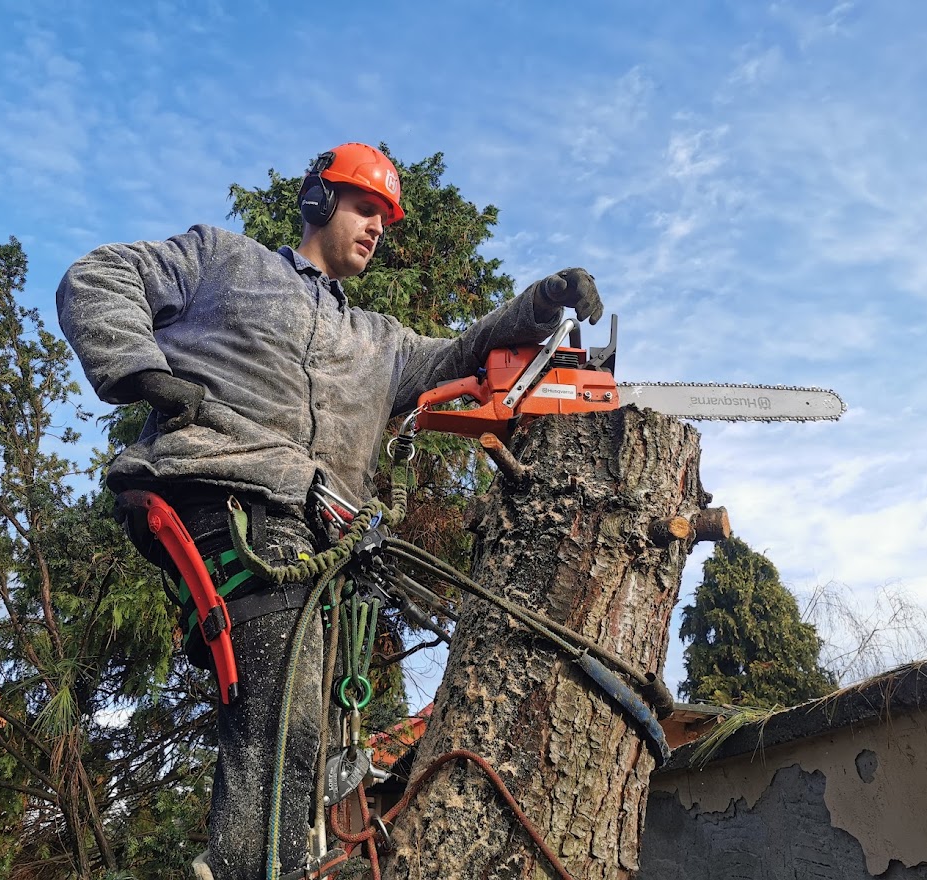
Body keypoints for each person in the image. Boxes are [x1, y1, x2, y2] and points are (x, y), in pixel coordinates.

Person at [56, 142, 603, 879]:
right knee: (286, 721)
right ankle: (257, 869)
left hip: (326, 539)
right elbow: (100, 274)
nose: (377, 227)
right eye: (365, 207)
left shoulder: (379, 342)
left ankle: (301, 858)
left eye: (386, 218)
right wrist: (139, 370)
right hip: (232, 497)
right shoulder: (225, 261)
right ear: (318, 201)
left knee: (324, 730)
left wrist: (537, 308)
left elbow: (466, 356)